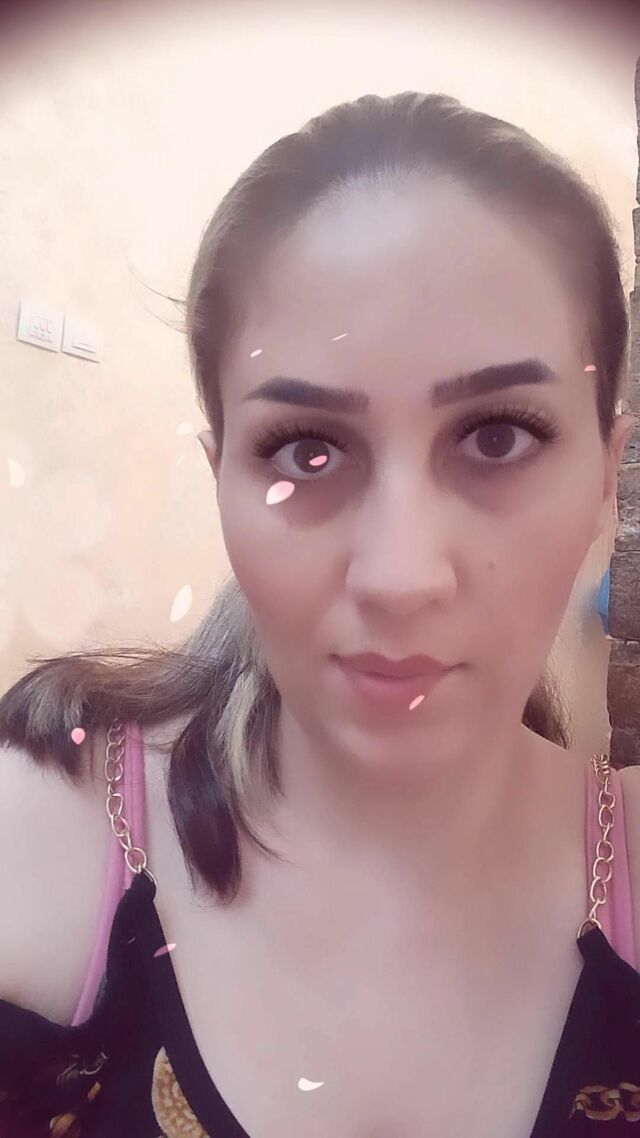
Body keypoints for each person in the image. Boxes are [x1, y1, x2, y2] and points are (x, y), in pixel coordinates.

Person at [0, 90, 639, 1138]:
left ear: (607, 472)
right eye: (306, 448)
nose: (399, 576)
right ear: (221, 475)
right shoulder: (44, 831)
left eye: (498, 437)